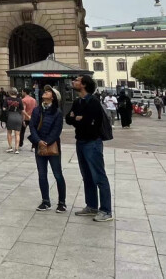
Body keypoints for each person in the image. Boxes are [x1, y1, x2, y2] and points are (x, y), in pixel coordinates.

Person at [66, 75, 112, 222]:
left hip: (92, 143)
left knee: (99, 176)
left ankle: (106, 210)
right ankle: (91, 206)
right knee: (87, 176)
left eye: (77, 80)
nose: (74, 82)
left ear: (84, 84)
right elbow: (68, 118)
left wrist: (78, 119)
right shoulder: (78, 101)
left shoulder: (93, 102)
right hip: (80, 141)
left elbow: (91, 123)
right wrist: (77, 118)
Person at [28, 86, 66, 213]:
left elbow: (57, 130)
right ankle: (45, 201)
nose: (45, 92)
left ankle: (62, 202)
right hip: (39, 145)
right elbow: (32, 126)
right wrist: (38, 141)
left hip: (52, 146)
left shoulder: (57, 112)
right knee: (42, 175)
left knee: (57, 174)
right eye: (45, 91)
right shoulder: (37, 110)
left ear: (53, 97)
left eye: (49, 91)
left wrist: (47, 142)